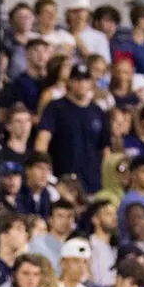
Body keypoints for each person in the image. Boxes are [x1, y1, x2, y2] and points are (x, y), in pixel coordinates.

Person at [36, 61, 107, 194]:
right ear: (69, 82)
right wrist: (45, 174)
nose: (81, 84)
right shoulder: (55, 108)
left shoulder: (97, 111)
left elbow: (105, 149)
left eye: (85, 80)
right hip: (62, 182)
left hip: (93, 183)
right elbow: (42, 141)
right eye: (77, 80)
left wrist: (104, 180)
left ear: (91, 83)